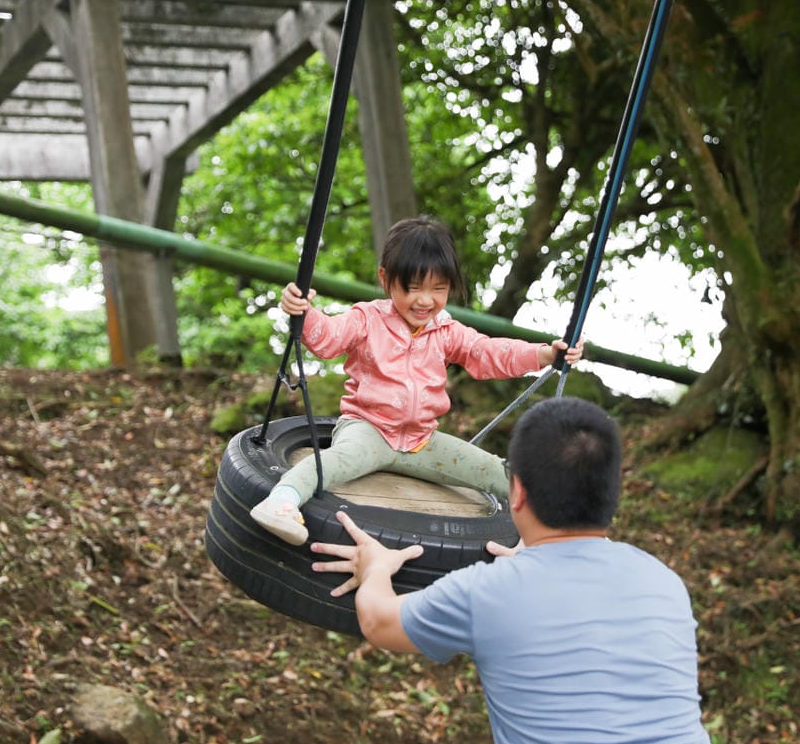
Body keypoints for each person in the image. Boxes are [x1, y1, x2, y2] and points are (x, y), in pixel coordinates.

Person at [309, 397, 728, 744]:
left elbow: (379, 621)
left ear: (518, 492)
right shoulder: (662, 581)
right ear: (612, 493)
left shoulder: (488, 593)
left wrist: (377, 567)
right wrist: (527, 576)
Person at [250, 215, 584, 545]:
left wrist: (544, 355)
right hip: (368, 430)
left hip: (423, 441)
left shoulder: (447, 330)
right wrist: (304, 314)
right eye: (413, 289)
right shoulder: (368, 319)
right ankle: (281, 502)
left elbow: (487, 353)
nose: (425, 301)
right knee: (330, 465)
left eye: (438, 289)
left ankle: (552, 528)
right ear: (386, 279)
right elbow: (329, 338)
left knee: (499, 471)